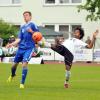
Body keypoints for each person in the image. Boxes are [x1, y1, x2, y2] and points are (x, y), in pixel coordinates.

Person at [7, 11, 39, 89]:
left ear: (30, 17)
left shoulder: (33, 24)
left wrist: (31, 31)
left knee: (24, 64)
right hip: (21, 48)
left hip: (29, 48)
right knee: (13, 66)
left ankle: (22, 83)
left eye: (27, 15)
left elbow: (38, 35)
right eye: (24, 16)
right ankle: (12, 75)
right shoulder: (22, 27)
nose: (25, 17)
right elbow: (19, 39)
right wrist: (11, 44)